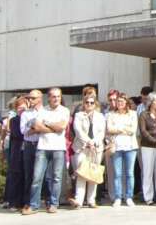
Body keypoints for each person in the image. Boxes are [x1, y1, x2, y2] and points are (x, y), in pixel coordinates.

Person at [24, 87, 70, 215]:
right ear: (49, 98)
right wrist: (53, 128)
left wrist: (47, 123)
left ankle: (54, 203)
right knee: (37, 177)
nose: (56, 99)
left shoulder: (64, 110)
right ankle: (34, 205)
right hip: (43, 147)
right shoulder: (43, 110)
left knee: (56, 178)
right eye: (53, 96)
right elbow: (37, 126)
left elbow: (62, 127)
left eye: (58, 96)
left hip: (58, 148)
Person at [72, 91, 106, 208]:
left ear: (95, 104)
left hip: (96, 148)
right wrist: (88, 141)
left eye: (92, 103)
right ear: (84, 103)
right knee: (82, 173)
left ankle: (91, 200)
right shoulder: (79, 115)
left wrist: (94, 142)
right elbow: (78, 131)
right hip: (82, 147)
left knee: (93, 173)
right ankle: (79, 201)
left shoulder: (100, 116)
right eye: (87, 102)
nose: (89, 104)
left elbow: (102, 132)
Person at [107, 95, 138, 206]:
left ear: (126, 103)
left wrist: (117, 129)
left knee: (130, 173)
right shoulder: (110, 115)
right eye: (118, 101)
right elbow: (109, 129)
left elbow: (132, 130)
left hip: (130, 147)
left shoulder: (133, 114)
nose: (119, 103)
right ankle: (118, 197)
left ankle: (129, 197)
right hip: (116, 147)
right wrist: (123, 128)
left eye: (122, 101)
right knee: (117, 174)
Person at [19, 90, 43, 212]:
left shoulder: (46, 112)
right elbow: (24, 131)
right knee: (29, 174)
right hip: (29, 145)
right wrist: (38, 128)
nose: (30, 101)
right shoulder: (25, 114)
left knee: (42, 175)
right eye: (29, 98)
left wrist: (35, 128)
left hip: (42, 144)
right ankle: (28, 202)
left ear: (40, 98)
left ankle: (46, 201)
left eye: (33, 98)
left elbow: (49, 127)